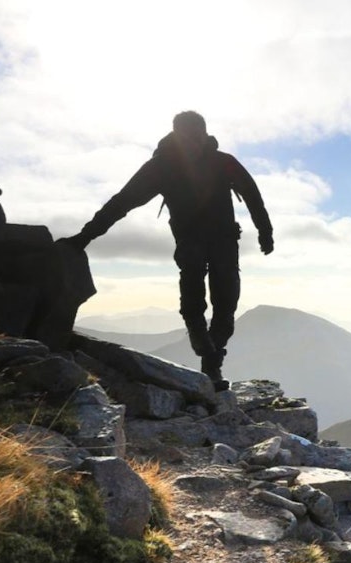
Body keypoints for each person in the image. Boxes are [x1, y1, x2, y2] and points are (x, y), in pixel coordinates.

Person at [65, 111, 272, 390]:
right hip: (192, 241)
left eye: (197, 133)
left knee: (226, 299)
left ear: (204, 133)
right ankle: (209, 357)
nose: (194, 140)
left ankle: (212, 361)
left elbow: (252, 195)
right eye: (188, 134)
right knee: (194, 296)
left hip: (222, 239)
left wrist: (265, 231)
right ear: (177, 134)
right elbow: (122, 202)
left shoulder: (221, 163)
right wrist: (85, 236)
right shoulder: (162, 166)